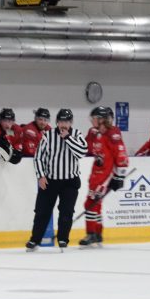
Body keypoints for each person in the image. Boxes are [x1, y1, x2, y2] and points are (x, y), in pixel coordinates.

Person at [26, 108, 86, 252]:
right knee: (42, 211)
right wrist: (41, 175)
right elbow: (38, 157)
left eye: (66, 121)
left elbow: (82, 153)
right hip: (50, 180)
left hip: (70, 181)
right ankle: (35, 239)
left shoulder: (77, 134)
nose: (63, 124)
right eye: (61, 121)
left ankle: (63, 239)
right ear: (57, 122)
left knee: (66, 212)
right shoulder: (48, 136)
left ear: (71, 123)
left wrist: (68, 138)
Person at [79, 107, 128, 248]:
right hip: (95, 175)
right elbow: (85, 147)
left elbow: (121, 155)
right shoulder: (95, 133)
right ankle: (98, 234)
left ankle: (91, 233)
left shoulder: (113, 134)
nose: (92, 121)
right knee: (96, 205)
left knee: (90, 203)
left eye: (94, 118)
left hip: (105, 177)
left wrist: (119, 176)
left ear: (101, 119)